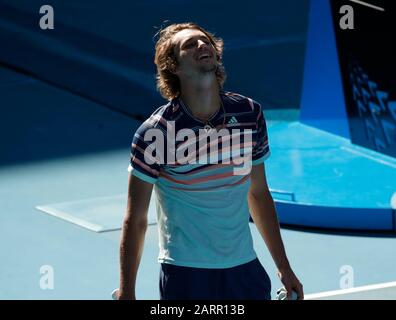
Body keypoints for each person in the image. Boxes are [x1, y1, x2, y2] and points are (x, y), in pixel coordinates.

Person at [115, 22, 304, 300]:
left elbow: (258, 193)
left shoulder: (249, 114)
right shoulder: (156, 133)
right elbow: (136, 219)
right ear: (174, 67)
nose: (202, 45)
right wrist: (128, 291)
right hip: (187, 273)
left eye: (205, 41)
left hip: (244, 269)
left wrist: (283, 267)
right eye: (189, 45)